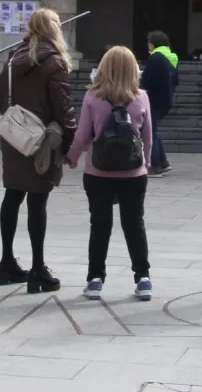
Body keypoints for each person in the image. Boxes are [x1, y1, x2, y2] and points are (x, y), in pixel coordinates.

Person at [0, 8, 78, 294]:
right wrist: (70, 145)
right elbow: (64, 108)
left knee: (13, 194)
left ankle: (6, 262)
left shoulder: (11, 59)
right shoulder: (55, 62)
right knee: (37, 202)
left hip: (14, 137)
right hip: (41, 139)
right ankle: (38, 268)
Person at [66, 45, 155, 302]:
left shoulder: (93, 97)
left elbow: (83, 135)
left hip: (98, 172)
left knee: (100, 225)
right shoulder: (141, 97)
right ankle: (143, 278)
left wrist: (71, 157)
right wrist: (145, 164)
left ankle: (95, 280)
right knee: (134, 223)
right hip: (133, 173)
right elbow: (147, 138)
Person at [141, 31, 180, 177]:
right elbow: (176, 80)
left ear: (153, 43)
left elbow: (146, 81)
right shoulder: (171, 57)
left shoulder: (156, 58)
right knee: (153, 130)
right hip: (165, 99)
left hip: (153, 99)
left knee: (150, 132)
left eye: (148, 42)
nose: (147, 45)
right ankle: (163, 162)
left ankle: (154, 165)